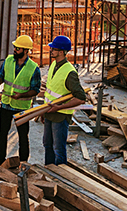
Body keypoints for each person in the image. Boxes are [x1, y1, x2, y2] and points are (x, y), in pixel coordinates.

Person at [0, 35, 40, 165]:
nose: (15, 50)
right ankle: (0, 160)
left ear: (26, 50)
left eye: (18, 48)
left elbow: (36, 89)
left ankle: (24, 162)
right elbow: (1, 76)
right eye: (15, 47)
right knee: (2, 135)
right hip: (7, 104)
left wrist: (21, 95)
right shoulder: (8, 61)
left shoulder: (33, 68)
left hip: (22, 107)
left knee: (23, 137)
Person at [39, 35, 86, 165]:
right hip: (49, 112)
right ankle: (49, 170)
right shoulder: (54, 64)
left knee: (58, 149)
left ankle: (60, 176)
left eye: (53, 48)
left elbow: (81, 98)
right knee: (47, 144)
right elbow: (50, 91)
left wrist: (59, 107)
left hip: (60, 116)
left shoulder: (70, 72)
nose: (51, 50)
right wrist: (44, 111)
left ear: (61, 52)